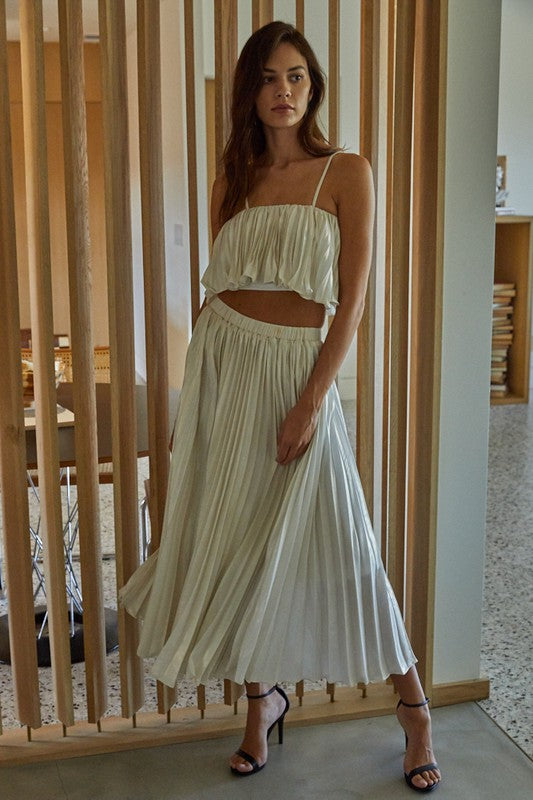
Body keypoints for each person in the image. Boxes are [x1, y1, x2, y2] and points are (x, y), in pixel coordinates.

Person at [120, 20, 441, 793]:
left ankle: (415, 712)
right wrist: (198, 401)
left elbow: (351, 304)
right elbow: (219, 293)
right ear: (248, 91)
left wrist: (312, 399)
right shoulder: (232, 182)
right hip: (224, 369)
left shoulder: (345, 171)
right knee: (239, 542)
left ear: (313, 86)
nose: (282, 91)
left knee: (346, 546)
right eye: (267, 78)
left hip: (295, 370)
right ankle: (260, 705)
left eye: (295, 76)